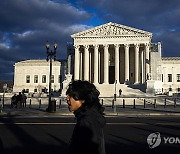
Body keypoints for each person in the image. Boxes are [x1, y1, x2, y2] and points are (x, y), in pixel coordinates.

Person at [66, 80, 106, 154]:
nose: (67, 98)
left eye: (70, 96)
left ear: (82, 99)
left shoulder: (87, 122)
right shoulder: (91, 117)